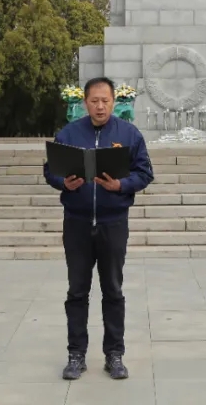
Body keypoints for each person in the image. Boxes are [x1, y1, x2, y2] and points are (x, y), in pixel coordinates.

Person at [43, 76, 154, 381]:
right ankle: (76, 355)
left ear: (114, 101)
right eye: (94, 100)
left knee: (113, 291)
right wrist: (62, 182)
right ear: (85, 102)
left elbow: (145, 172)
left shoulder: (128, 134)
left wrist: (121, 185)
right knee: (77, 291)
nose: (100, 106)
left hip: (113, 224)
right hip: (77, 223)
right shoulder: (69, 132)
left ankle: (114, 354)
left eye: (105, 100)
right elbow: (50, 169)